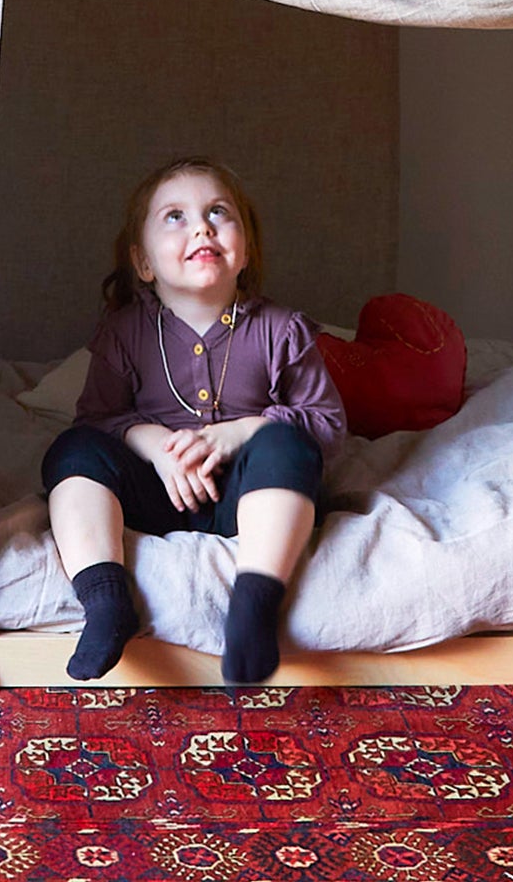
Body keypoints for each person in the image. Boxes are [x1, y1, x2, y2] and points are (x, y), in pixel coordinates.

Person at [40, 157, 346, 685]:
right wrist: (154, 444)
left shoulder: (281, 330)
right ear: (143, 262)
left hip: (247, 499)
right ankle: (105, 598)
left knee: (287, 444)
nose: (201, 226)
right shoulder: (125, 332)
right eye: (175, 217)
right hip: (153, 495)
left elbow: (327, 423)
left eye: (218, 213)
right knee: (73, 450)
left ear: (245, 248)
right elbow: (101, 417)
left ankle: (254, 603)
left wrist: (241, 432)